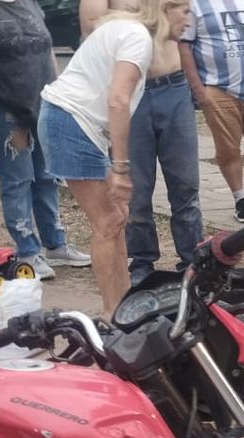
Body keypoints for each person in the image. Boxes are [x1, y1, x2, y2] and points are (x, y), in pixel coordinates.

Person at [40, 0, 190, 313]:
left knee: (117, 218)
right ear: (164, 10)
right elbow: (118, 100)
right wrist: (120, 168)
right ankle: (114, 317)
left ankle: (125, 306)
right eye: (185, 9)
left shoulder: (127, 31)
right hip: (71, 122)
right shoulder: (136, 37)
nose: (190, 19)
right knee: (108, 223)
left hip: (75, 123)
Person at [83, 0, 205, 284]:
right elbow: (91, 27)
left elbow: (185, 24)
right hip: (133, 87)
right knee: (136, 188)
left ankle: (193, 260)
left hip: (174, 85)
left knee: (186, 182)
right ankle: (141, 261)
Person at [0, 0, 91, 283]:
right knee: (18, 179)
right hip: (7, 107)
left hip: (43, 100)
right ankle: (27, 249)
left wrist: (58, 88)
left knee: (47, 175)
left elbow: (46, 49)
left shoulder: (28, 4)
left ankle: (55, 243)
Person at [179, 0, 244, 224]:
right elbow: (184, 46)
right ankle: (241, 199)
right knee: (228, 148)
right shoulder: (194, 5)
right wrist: (199, 90)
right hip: (218, 90)